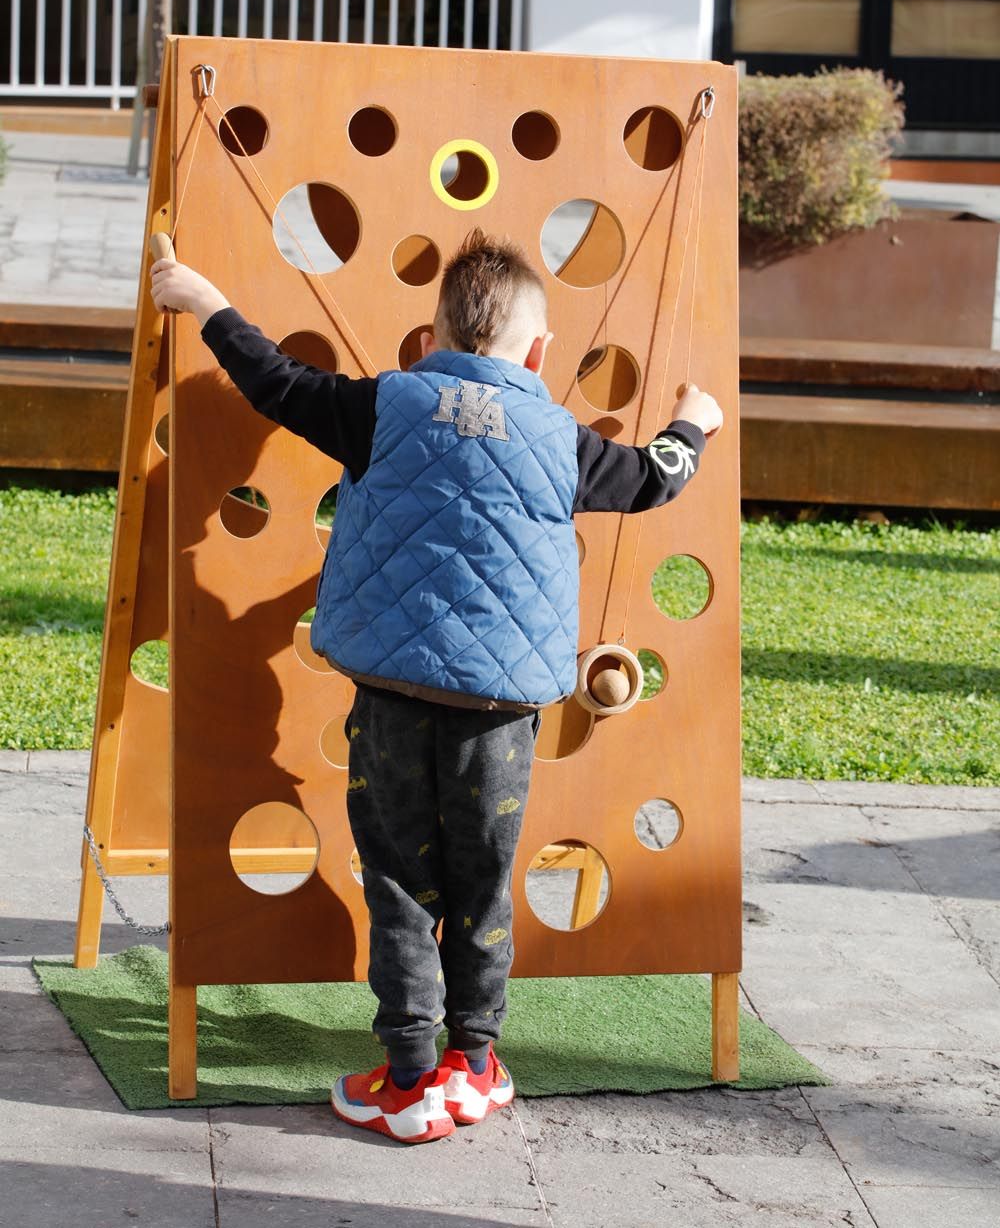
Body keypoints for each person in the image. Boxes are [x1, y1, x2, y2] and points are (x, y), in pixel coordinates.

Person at [150, 228, 723, 1145]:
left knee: (402, 883)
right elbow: (656, 480)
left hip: (391, 704)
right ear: (536, 353)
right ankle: (475, 1063)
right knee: (483, 882)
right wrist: (696, 419)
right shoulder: (561, 439)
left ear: (432, 336)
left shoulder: (386, 408)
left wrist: (201, 294)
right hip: (501, 718)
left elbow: (274, 380)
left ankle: (410, 1078)